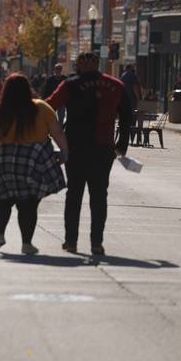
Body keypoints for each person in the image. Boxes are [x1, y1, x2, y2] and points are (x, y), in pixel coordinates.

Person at [47, 52, 131, 256]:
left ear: (80, 66)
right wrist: (121, 145)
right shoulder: (115, 85)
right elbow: (127, 115)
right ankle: (96, 243)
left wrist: (52, 136)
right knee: (99, 196)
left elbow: (48, 107)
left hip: (76, 146)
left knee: (74, 194)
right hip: (103, 147)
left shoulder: (70, 85)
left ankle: (71, 242)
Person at [0, 74, 67, 253]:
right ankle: (26, 243)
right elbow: (57, 132)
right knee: (29, 203)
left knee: (0, 199)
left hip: (4, 160)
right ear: (28, 89)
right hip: (32, 161)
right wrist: (64, 151)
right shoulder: (41, 107)